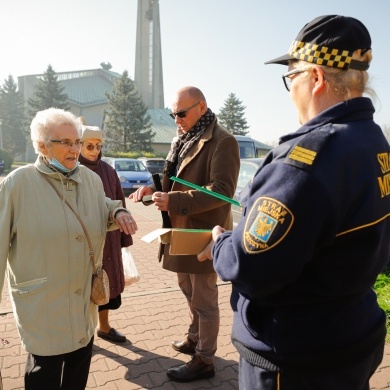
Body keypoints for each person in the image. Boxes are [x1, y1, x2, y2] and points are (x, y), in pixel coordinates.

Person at [198, 15, 390, 390]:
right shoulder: (374, 142)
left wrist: (221, 242)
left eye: (292, 77)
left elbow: (252, 267)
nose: (290, 90)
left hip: (297, 355)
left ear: (316, 78)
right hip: (351, 332)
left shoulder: (307, 160)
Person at [0, 108, 137, 390]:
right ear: (42, 146)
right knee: (44, 377)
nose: (75, 149)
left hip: (82, 304)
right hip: (43, 307)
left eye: (77, 141)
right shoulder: (17, 184)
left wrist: (117, 212)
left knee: (78, 373)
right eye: (66, 143)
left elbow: (102, 206)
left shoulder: (91, 179)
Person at [130, 86, 240, 382]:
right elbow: (174, 179)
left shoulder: (223, 141)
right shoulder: (184, 138)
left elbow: (224, 192)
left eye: (181, 112)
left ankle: (205, 359)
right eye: (173, 113)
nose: (176, 119)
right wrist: (154, 190)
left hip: (204, 234)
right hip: (179, 229)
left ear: (201, 107)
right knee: (187, 288)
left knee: (204, 299)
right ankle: (194, 337)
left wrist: (175, 201)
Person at [79, 125, 133, 343]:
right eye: (89, 146)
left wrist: (123, 237)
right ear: (79, 145)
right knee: (81, 289)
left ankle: (104, 326)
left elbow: (120, 200)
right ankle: (83, 333)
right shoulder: (72, 169)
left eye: (98, 146)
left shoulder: (109, 171)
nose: (94, 151)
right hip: (83, 241)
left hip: (108, 239)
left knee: (105, 286)